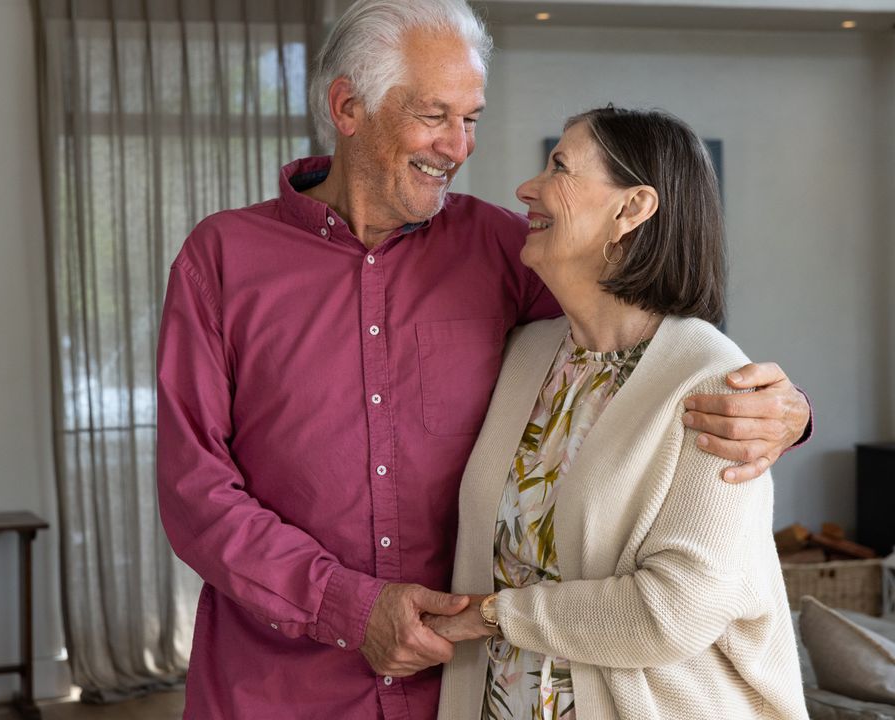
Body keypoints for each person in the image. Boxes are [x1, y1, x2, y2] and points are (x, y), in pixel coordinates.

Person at [155, 1, 811, 717]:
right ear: (348, 107)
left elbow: (643, 334)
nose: (459, 147)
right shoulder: (222, 259)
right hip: (278, 688)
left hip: (460, 690)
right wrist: (348, 606)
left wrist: (788, 411)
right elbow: (196, 492)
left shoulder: (502, 250)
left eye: (471, 119)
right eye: (435, 115)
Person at [429, 107, 809, 720]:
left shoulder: (714, 381)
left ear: (631, 209)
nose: (527, 188)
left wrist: (492, 614)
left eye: (559, 166)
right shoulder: (526, 355)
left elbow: (673, 612)